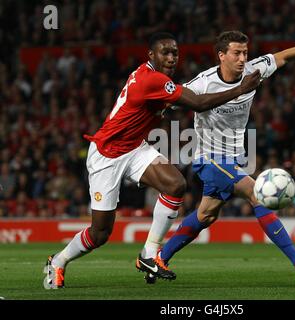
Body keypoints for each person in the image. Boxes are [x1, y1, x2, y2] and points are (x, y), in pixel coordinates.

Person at [43, 32, 261, 289]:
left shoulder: (156, 80)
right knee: (100, 233)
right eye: (165, 53)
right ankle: (57, 261)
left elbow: (167, 104)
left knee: (176, 185)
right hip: (107, 154)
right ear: (151, 55)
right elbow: (199, 104)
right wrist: (240, 89)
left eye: (175, 53)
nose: (171, 58)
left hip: (135, 148)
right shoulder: (151, 80)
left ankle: (149, 253)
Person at [152, 24, 295, 283]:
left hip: (232, 159)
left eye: (245, 53)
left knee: (206, 215)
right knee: (258, 195)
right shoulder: (203, 83)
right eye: (236, 53)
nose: (243, 58)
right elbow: (171, 97)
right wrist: (160, 108)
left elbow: (284, 55)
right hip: (208, 159)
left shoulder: (254, 70)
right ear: (221, 55)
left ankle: (159, 258)